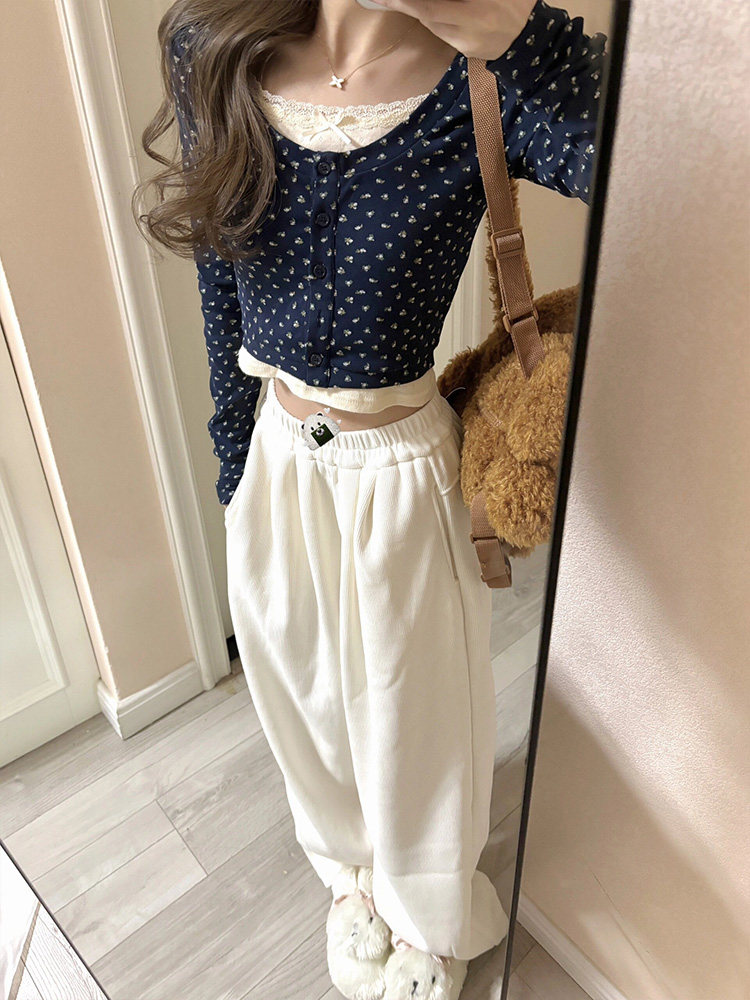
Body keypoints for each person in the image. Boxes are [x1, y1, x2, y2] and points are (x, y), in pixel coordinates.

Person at [136, 1, 606, 996]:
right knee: (298, 689)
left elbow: (667, 157)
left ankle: (429, 917)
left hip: (400, 463)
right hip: (275, 450)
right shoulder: (213, 42)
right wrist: (235, 456)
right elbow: (219, 279)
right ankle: (349, 873)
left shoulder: (489, 74)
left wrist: (510, 29)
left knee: (416, 715)